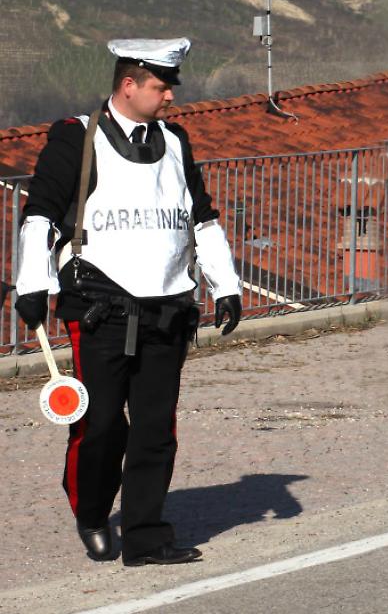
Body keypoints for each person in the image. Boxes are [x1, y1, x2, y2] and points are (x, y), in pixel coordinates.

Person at [13, 38, 243, 566]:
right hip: (100, 308)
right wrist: (32, 286)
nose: (170, 97)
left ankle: (145, 536)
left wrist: (225, 284)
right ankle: (93, 512)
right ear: (129, 85)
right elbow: (41, 215)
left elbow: (201, 218)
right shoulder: (76, 136)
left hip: (168, 308)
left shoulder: (176, 141)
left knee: (156, 428)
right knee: (99, 425)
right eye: (161, 87)